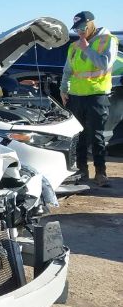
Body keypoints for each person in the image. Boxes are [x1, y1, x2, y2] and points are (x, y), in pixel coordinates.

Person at [60, 11, 119, 187]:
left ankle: (101, 173)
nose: (80, 32)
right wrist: (63, 89)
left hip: (97, 96)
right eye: (77, 29)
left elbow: (105, 64)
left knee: (97, 136)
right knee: (79, 136)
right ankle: (82, 171)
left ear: (91, 24)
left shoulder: (107, 40)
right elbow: (67, 70)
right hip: (76, 97)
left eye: (82, 28)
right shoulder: (74, 46)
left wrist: (87, 48)